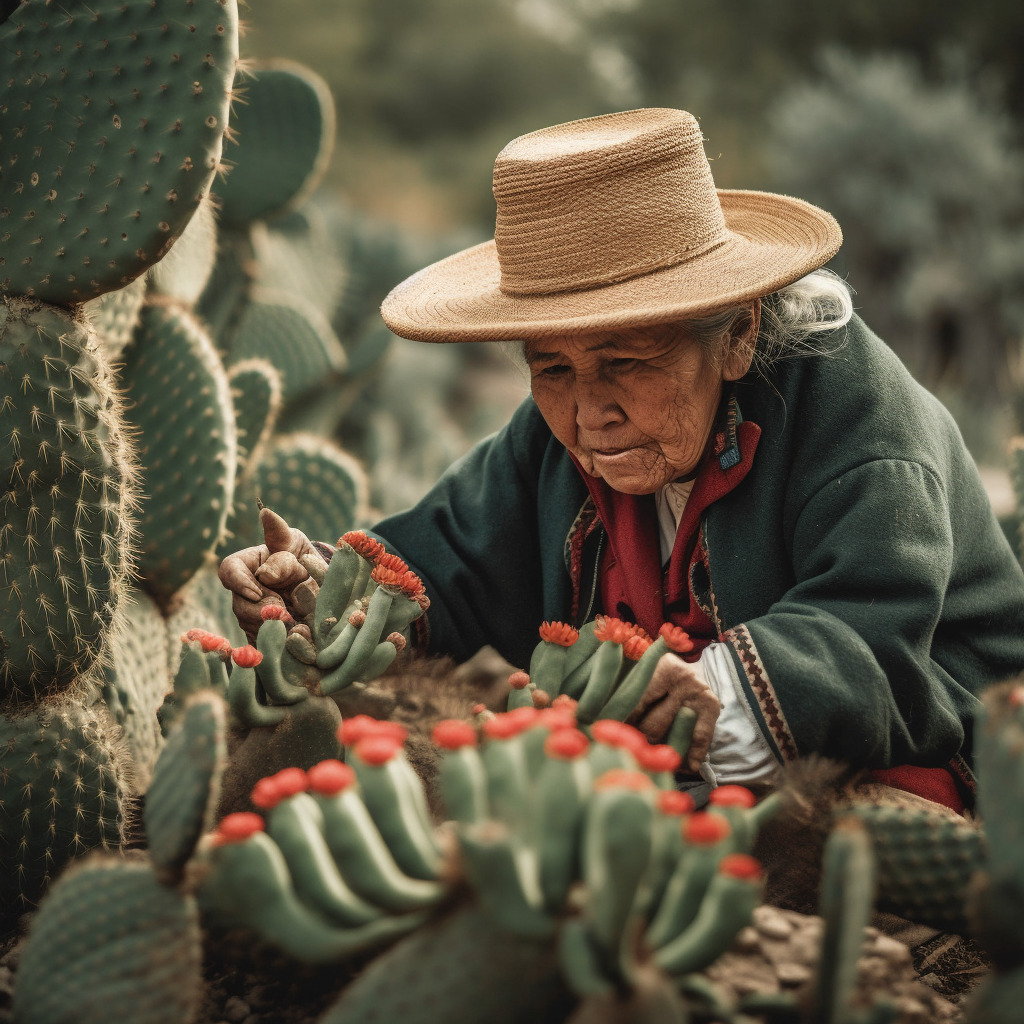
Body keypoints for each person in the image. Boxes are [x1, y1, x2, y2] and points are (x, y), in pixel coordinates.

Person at [220, 108, 1024, 811]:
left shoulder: (856, 421)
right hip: (670, 772)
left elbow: (875, 640)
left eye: (628, 361)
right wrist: (329, 588)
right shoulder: (559, 430)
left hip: (927, 752)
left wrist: (706, 697)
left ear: (739, 333)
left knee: (823, 834)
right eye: (552, 369)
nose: (587, 413)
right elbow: (450, 554)